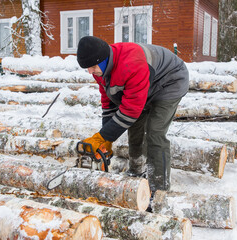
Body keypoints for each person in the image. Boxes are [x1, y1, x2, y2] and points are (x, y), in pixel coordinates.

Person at [76, 36, 189, 196]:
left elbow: (130, 111)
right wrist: (107, 139)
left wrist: (102, 136)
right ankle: (136, 171)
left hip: (169, 82)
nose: (90, 72)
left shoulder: (130, 64)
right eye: (86, 68)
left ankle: (159, 190)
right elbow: (109, 103)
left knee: (155, 132)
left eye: (92, 67)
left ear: (103, 59)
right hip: (144, 84)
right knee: (134, 128)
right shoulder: (100, 70)